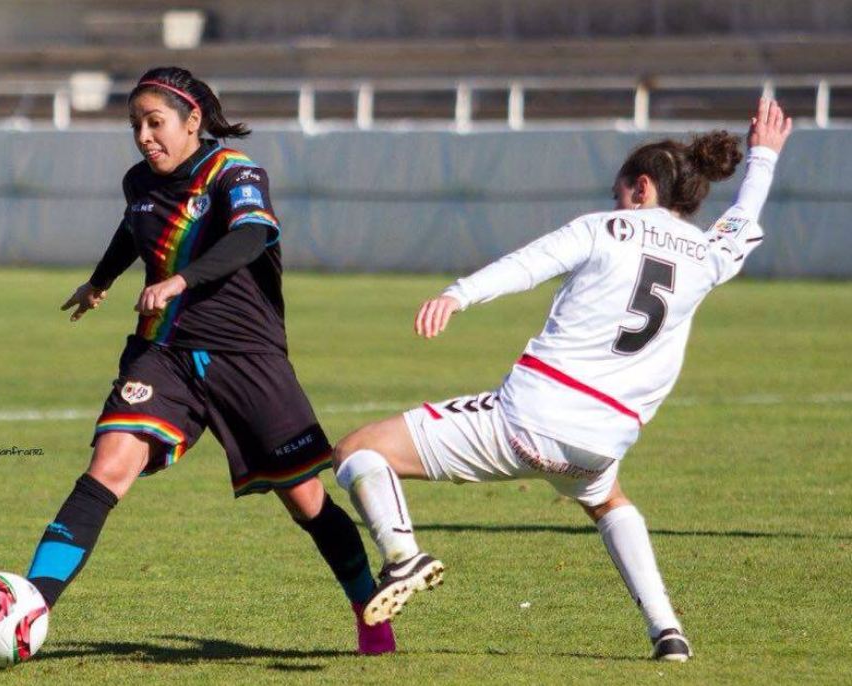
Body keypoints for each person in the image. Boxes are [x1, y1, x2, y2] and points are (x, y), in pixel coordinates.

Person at [0, 66, 395, 656]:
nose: (143, 136)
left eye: (154, 122)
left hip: (246, 357)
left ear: (192, 122)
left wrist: (181, 279)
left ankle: (371, 614)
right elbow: (135, 229)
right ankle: (27, 606)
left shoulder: (235, 172)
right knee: (108, 466)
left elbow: (253, 236)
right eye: (135, 124)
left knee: (305, 500)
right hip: (164, 353)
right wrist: (99, 281)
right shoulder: (140, 181)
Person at [332, 98, 792, 662]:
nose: (616, 201)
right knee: (608, 502)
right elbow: (745, 215)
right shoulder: (707, 254)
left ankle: (403, 556)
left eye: (620, 191)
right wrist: (763, 158)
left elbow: (530, 263)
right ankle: (667, 631)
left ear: (642, 188)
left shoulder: (606, 228)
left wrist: (458, 293)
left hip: (526, 419)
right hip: (602, 440)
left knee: (358, 451)